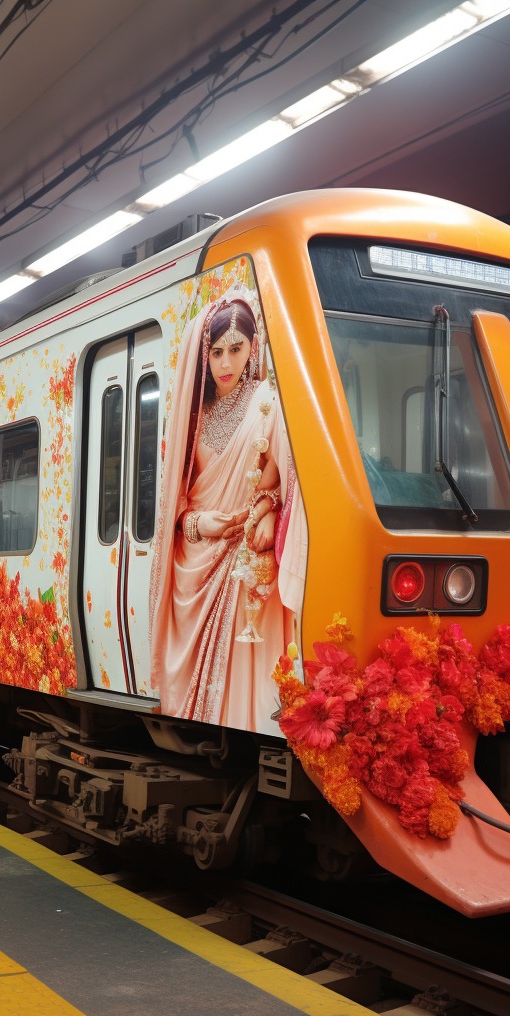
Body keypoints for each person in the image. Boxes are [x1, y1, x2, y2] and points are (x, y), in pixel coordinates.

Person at [149, 290, 305, 731]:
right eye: (216, 352)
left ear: (253, 348)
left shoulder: (269, 404)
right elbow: (173, 503)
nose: (225, 362)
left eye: (236, 349)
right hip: (195, 565)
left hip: (245, 561)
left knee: (248, 682)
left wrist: (270, 509)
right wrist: (198, 523)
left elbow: (292, 481)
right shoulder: (194, 415)